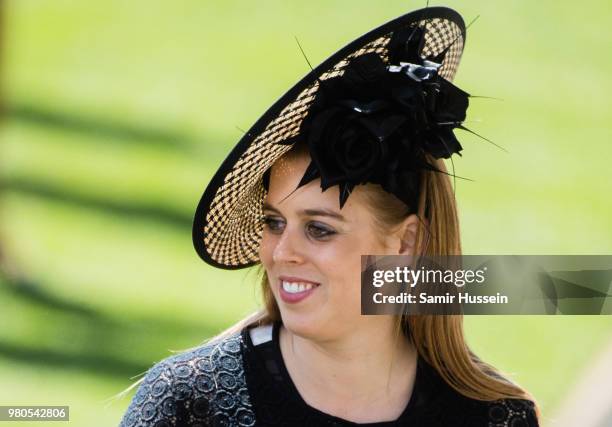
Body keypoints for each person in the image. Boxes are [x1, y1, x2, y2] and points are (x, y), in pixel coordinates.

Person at [119, 6, 539, 426]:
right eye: (273, 222)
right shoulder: (189, 402)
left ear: (407, 244)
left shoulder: (495, 416)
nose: (282, 252)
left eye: (319, 230)